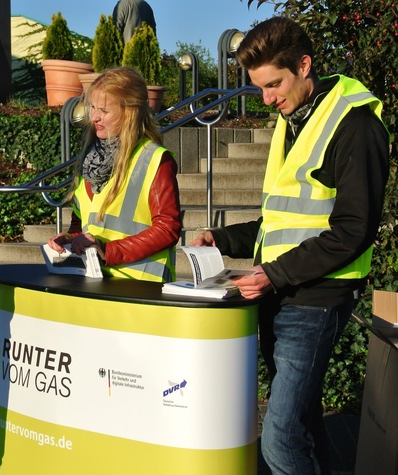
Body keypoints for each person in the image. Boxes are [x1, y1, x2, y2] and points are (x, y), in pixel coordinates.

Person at [189, 17, 389, 474]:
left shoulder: (354, 122)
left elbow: (355, 228)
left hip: (316, 299)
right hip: (284, 294)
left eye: (274, 84)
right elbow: (279, 221)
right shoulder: (295, 118)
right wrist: (221, 238)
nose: (267, 98)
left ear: (304, 65)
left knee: (279, 439)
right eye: (259, 88)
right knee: (302, 424)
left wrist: (272, 274)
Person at [48, 66, 181, 282]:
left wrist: (106, 250)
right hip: (97, 281)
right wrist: (70, 239)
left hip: (144, 289)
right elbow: (82, 225)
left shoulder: (155, 159)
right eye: (92, 108)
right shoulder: (89, 160)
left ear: (130, 112)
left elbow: (168, 229)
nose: (94, 118)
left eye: (104, 110)